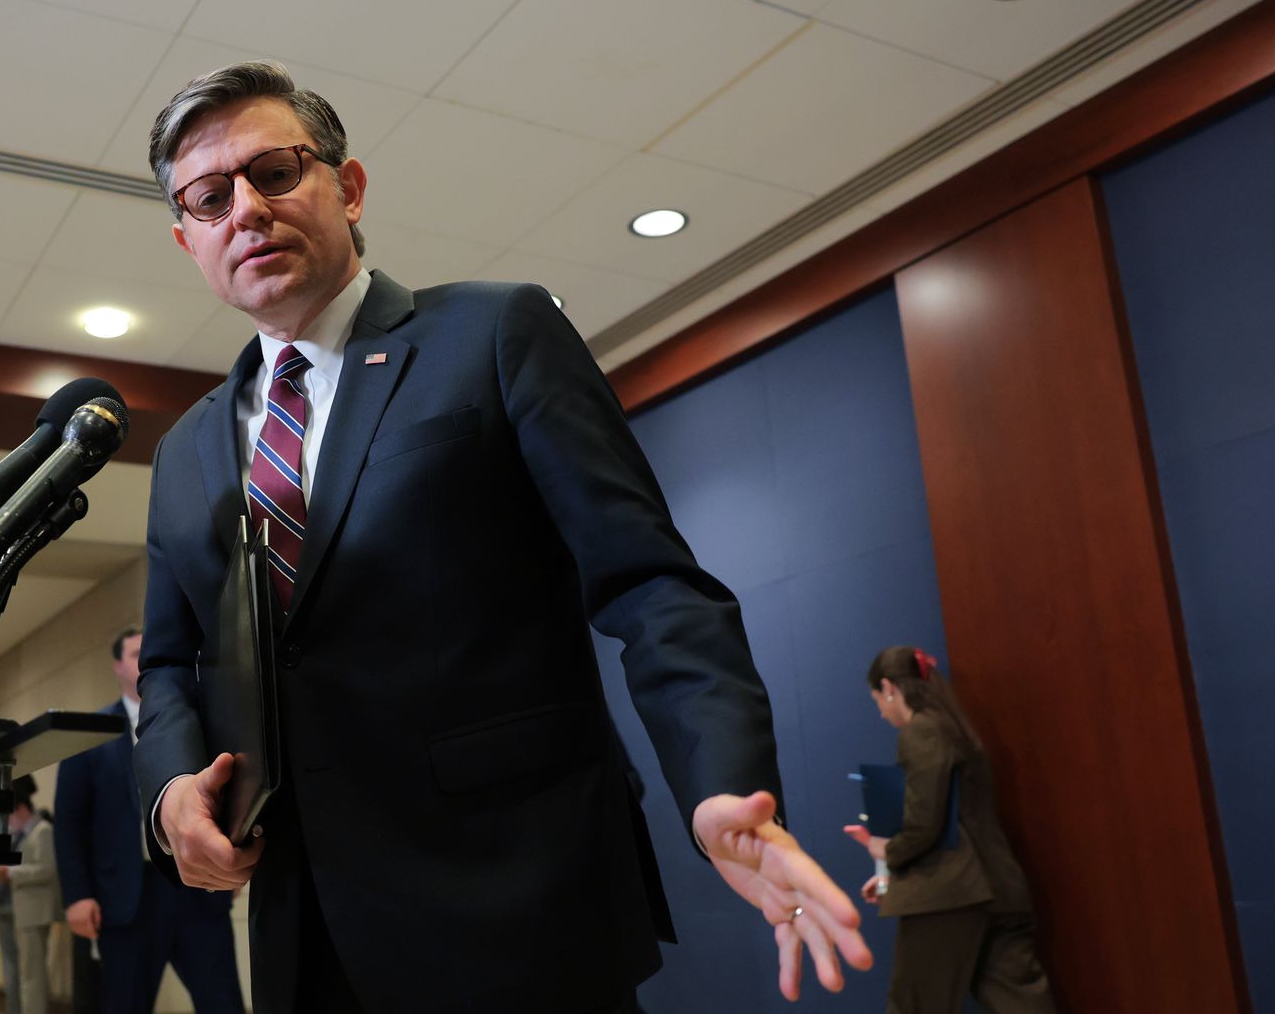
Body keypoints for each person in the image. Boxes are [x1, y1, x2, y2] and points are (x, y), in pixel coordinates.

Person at [132, 61, 871, 1012]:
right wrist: (169, 794)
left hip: (516, 899)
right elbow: (167, 664)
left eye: (275, 172)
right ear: (188, 238)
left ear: (347, 189)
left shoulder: (492, 333)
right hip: (306, 925)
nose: (246, 209)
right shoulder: (187, 449)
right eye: (209, 196)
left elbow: (650, 583)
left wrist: (721, 781)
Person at [846, 646, 1055, 1013]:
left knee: (914, 1006)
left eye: (877, 700)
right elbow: (958, 825)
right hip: (1001, 890)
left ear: (889, 687)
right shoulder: (957, 729)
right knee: (1019, 1003)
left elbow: (925, 825)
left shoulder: (921, 732)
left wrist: (887, 852)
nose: (880, 712)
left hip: (950, 895)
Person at [55, 628, 244, 1014]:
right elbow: (70, 824)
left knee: (222, 1001)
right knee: (124, 1004)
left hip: (196, 889)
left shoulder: (198, 725)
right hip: (125, 897)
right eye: (135, 653)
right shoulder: (89, 735)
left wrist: (228, 856)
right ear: (117, 666)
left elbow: (227, 792)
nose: (144, 660)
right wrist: (77, 895)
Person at [0, 774, 57, 1014]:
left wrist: (11, 873)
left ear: (21, 809)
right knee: (12, 969)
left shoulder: (42, 831)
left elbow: (46, 870)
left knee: (31, 973)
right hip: (7, 906)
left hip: (31, 911)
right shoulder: (14, 835)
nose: (9, 821)